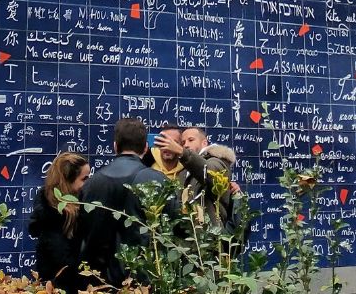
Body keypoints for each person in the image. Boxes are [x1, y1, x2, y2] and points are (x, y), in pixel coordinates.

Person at [77, 118, 166, 287]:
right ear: (146, 148)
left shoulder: (92, 183)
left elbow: (84, 232)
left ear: (115, 146)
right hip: (146, 280)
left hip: (100, 281)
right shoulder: (159, 181)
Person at [28, 152, 90, 293]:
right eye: (85, 178)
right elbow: (65, 266)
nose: (89, 183)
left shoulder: (52, 212)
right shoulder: (56, 219)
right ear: (68, 181)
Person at [157, 126, 235, 227]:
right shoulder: (184, 172)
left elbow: (208, 172)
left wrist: (182, 152)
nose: (186, 145)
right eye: (183, 142)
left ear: (204, 143)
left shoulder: (217, 161)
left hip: (210, 236)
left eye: (191, 140)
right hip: (190, 237)